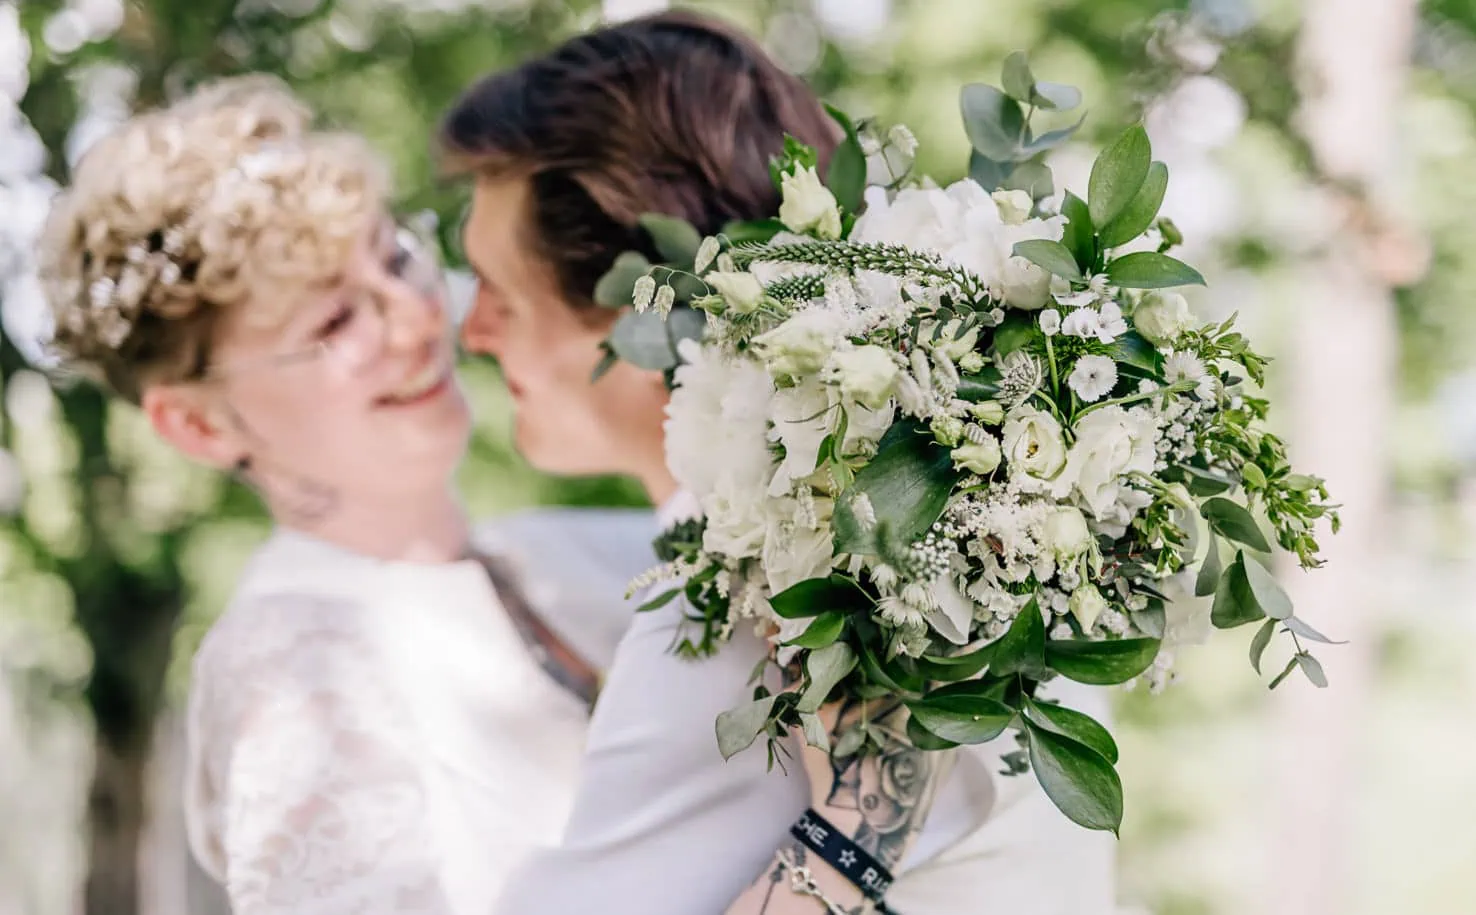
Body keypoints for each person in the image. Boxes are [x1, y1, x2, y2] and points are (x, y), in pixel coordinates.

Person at [446, 10, 1117, 915]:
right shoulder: (998, 542)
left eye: (502, 293)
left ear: (637, 309)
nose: (470, 330)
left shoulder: (737, 608)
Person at [35, 76, 657, 915]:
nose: (414, 319)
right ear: (199, 426)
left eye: (396, 256)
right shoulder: (292, 669)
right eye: (334, 324)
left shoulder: (560, 550)